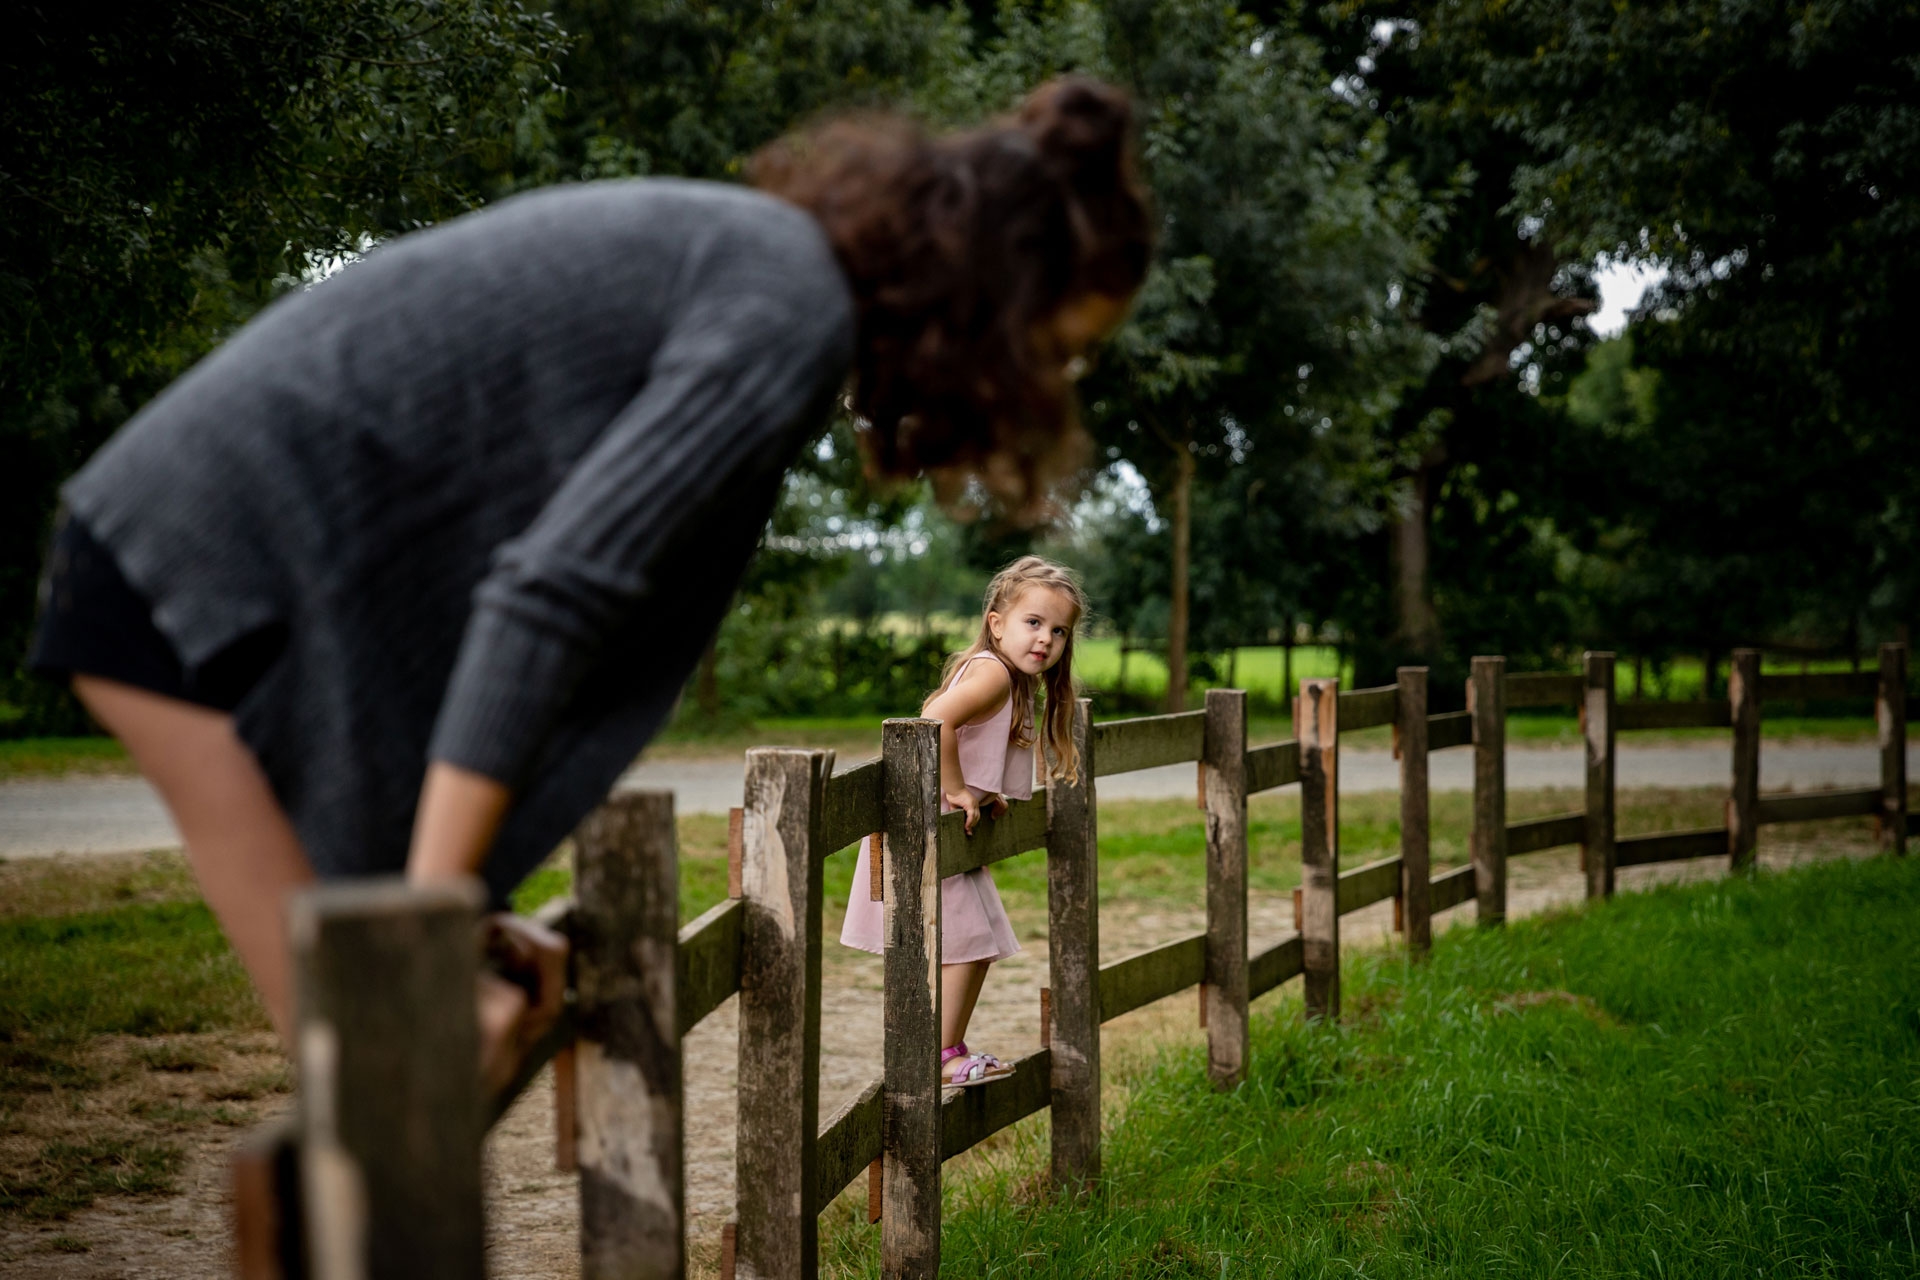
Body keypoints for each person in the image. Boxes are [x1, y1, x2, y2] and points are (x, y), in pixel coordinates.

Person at [25, 76, 1151, 1092]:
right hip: (197, 569)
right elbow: (552, 595)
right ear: (996, 292)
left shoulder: (782, 283)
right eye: (1057, 346)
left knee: (393, 1072)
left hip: (217, 568)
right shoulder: (786, 305)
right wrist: (432, 912)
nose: (1050, 382)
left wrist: (453, 907)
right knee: (388, 1070)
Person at [839, 556, 1087, 1087]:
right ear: (997, 624)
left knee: (983, 939)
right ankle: (939, 1057)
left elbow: (968, 732)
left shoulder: (1009, 677)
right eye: (1033, 623)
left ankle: (948, 1047)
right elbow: (935, 720)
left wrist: (982, 789)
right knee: (971, 943)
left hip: (945, 828)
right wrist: (954, 788)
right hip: (924, 828)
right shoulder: (996, 672)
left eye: (1059, 630)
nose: (1045, 639)